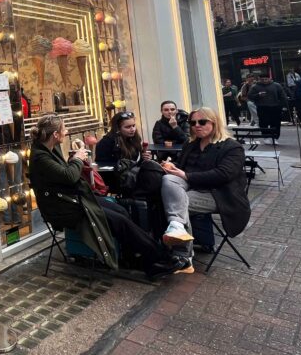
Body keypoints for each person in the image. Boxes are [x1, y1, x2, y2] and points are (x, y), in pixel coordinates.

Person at [28, 114, 186, 279]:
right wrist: (77, 160)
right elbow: (69, 176)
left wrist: (75, 161)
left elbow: (62, 175)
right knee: (119, 220)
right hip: (64, 208)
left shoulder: (50, 149)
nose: (66, 132)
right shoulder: (40, 155)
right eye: (63, 129)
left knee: (121, 210)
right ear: (55, 135)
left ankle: (134, 258)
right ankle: (159, 258)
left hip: (74, 198)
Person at [159, 106, 251, 271]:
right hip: (190, 187)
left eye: (202, 122)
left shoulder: (232, 147)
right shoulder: (191, 144)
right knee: (168, 179)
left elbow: (223, 175)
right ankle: (178, 227)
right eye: (192, 123)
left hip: (218, 194)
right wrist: (172, 166)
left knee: (178, 203)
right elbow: (182, 167)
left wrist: (186, 175)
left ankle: (182, 255)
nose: (197, 126)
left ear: (214, 123)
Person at [249, 72, 288, 138]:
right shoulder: (255, 86)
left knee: (276, 123)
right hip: (262, 107)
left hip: (275, 107)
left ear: (269, 78)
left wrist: (282, 105)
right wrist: (258, 95)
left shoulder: (276, 85)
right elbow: (250, 96)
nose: (264, 81)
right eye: (262, 79)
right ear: (259, 79)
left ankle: (275, 137)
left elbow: (282, 96)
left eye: (266, 79)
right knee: (263, 123)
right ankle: (265, 136)